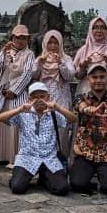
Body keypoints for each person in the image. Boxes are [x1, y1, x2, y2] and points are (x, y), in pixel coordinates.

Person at [0, 82, 77, 195]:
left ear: (48, 97)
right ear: (30, 99)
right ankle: (19, 176)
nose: (39, 100)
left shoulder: (53, 114)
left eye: (42, 96)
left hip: (49, 159)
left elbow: (73, 119)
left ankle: (45, 178)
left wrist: (57, 108)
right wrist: (19, 109)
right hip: (27, 158)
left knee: (62, 188)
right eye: (35, 97)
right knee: (17, 187)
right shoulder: (24, 114)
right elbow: (0, 118)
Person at [69, 64, 107, 196]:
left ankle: (105, 179)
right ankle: (90, 180)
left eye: (102, 77)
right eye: (94, 77)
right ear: (88, 79)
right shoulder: (80, 98)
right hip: (85, 153)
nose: (98, 80)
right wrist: (87, 109)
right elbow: (80, 106)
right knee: (77, 184)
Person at [0, 24, 35, 166]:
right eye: (18, 37)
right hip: (3, 92)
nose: (20, 41)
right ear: (12, 38)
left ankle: (16, 158)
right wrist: (3, 52)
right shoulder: (7, 51)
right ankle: (2, 156)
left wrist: (14, 91)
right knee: (3, 122)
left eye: (23, 38)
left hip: (18, 94)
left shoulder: (29, 54)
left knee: (17, 125)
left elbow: (27, 74)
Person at [33, 30, 75, 158]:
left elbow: (69, 76)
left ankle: (61, 160)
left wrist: (61, 63)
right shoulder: (40, 59)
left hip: (61, 99)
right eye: (50, 43)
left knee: (61, 131)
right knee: (44, 130)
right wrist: (39, 63)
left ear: (60, 44)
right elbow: (33, 75)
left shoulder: (66, 59)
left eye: (56, 43)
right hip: (43, 99)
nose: (52, 46)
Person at [73, 16, 107, 96]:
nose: (99, 30)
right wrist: (83, 67)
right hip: (86, 95)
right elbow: (77, 76)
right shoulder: (83, 50)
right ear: (90, 30)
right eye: (95, 27)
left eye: (103, 28)